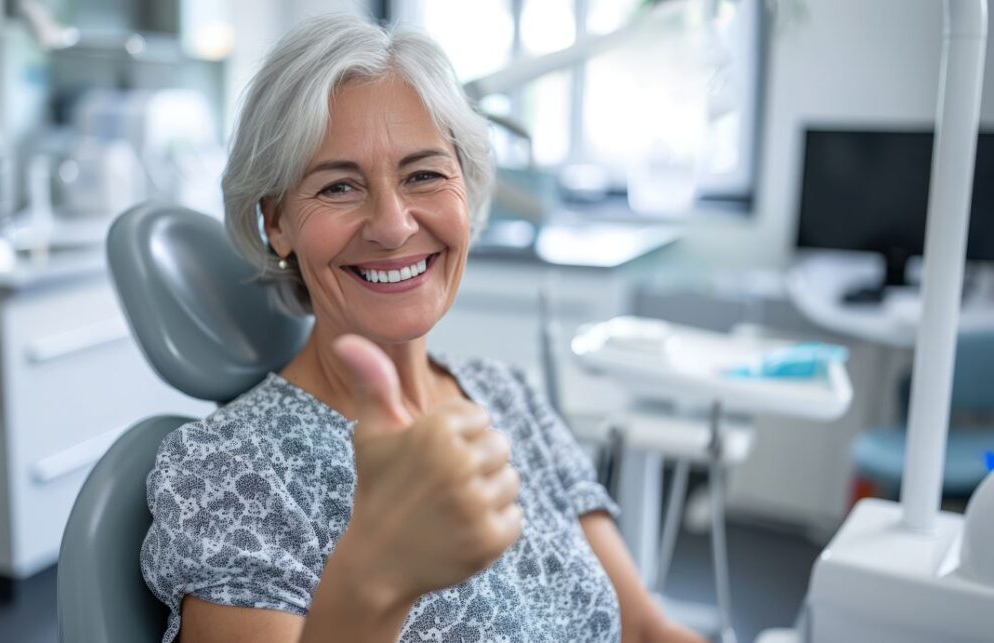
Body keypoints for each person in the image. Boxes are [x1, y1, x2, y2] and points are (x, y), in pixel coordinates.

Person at [139, 13, 705, 643]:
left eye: (424, 175)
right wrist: (377, 573)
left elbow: (647, 628)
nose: (392, 224)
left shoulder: (508, 398)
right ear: (277, 223)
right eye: (339, 186)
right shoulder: (229, 470)